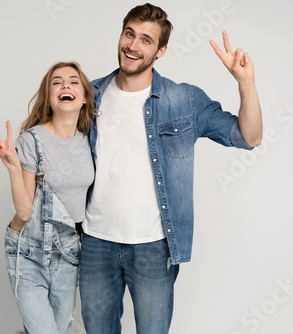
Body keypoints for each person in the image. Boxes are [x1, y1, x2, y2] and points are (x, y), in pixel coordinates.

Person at [79, 3, 262, 334]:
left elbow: (249, 137)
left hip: (154, 246)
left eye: (146, 40)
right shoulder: (89, 95)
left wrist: (245, 83)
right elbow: (54, 150)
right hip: (95, 242)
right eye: (129, 34)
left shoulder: (184, 100)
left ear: (161, 50)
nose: (133, 46)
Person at [0, 61, 95, 334]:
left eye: (73, 82)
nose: (65, 86)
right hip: (29, 250)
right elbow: (24, 210)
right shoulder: (31, 141)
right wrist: (14, 168)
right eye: (56, 82)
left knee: (61, 329)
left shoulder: (91, 142)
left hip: (70, 253)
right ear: (49, 97)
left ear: (84, 97)